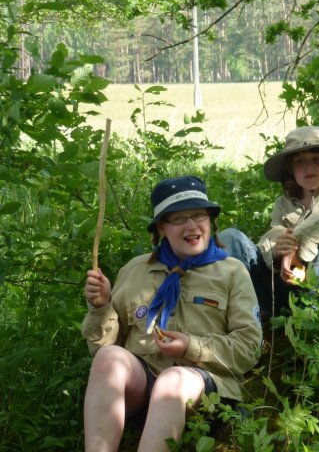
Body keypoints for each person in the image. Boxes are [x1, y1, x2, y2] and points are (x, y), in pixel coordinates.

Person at [81, 176, 263, 452]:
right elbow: (103, 349)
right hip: (144, 386)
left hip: (205, 392)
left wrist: (191, 346)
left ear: (211, 220)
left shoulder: (232, 272)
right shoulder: (135, 271)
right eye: (178, 218)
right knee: (109, 358)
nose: (191, 226)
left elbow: (249, 348)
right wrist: (101, 307)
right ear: (161, 227)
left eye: (199, 215)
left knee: (172, 380)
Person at [219, 126, 319, 317]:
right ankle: (241, 314)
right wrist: (277, 253)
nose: (309, 167)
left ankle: (318, 317)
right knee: (230, 237)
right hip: (282, 291)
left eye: (317, 159)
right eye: (300, 161)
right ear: (291, 170)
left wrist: (295, 247)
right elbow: (273, 235)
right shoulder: (283, 203)